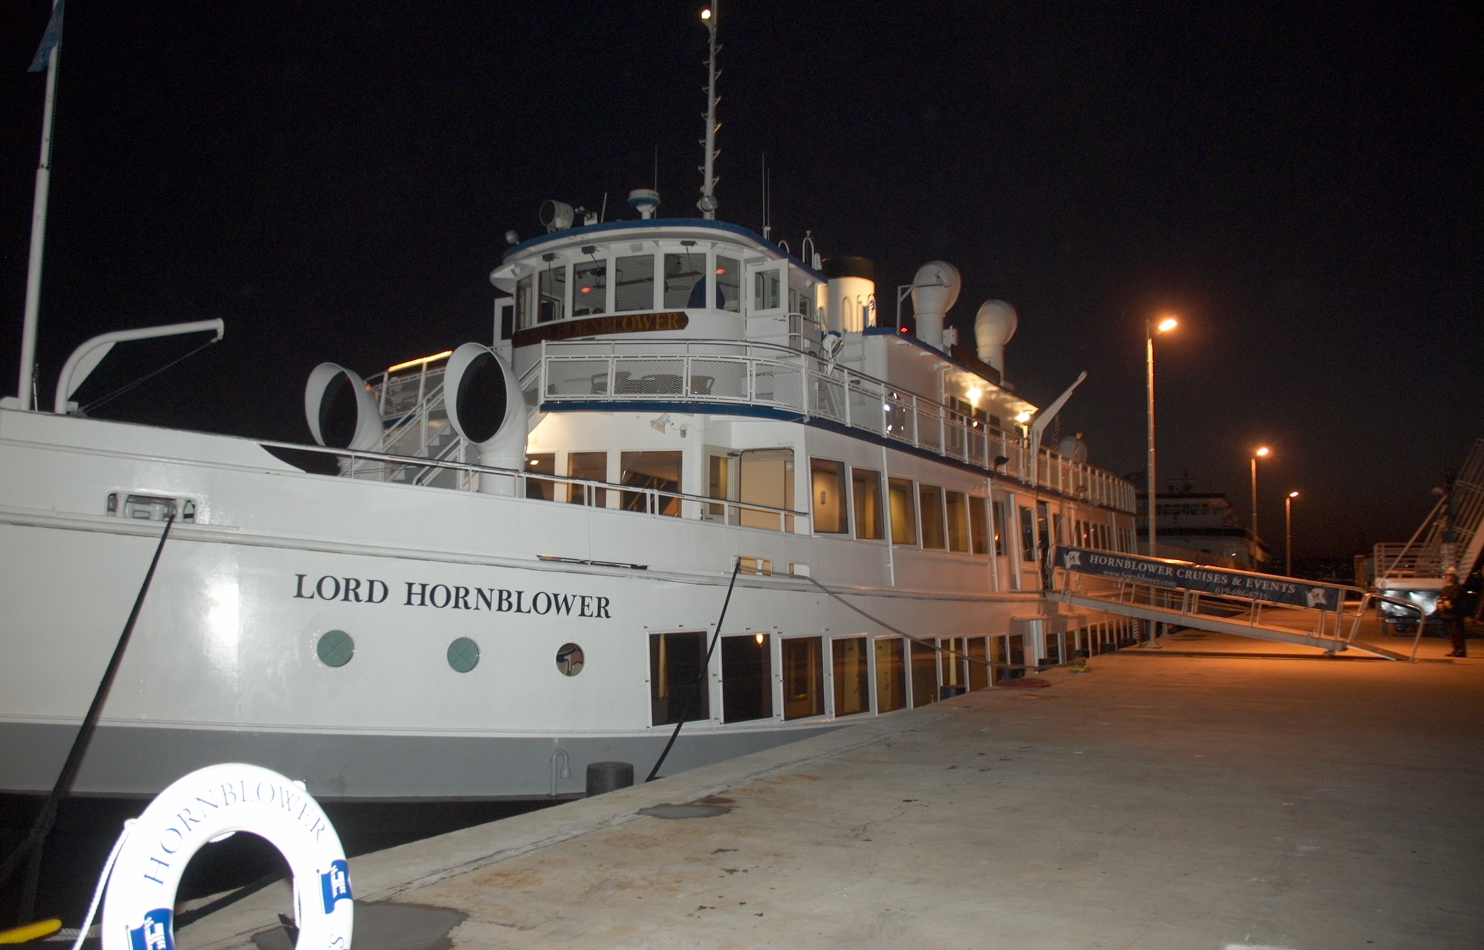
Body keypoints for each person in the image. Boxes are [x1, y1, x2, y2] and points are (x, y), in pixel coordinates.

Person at [1437, 566, 1467, 657]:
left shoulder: (1458, 588)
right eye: (1446, 575)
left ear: (1454, 577)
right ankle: (1455, 649)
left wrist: (1447, 602)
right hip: (1447, 614)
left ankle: (1461, 650)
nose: (1447, 577)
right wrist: (1440, 603)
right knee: (1451, 633)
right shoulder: (1445, 588)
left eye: (1449, 575)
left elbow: (1455, 600)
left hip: (1455, 614)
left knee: (1457, 633)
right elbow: (1441, 598)